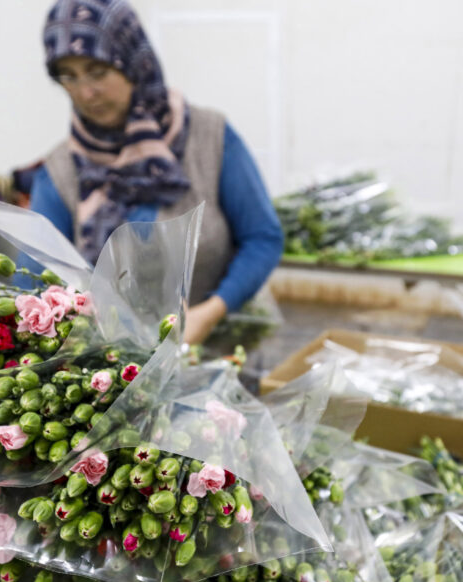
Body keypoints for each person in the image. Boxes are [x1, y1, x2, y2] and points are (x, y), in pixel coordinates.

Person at [32, 0, 284, 345]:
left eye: (98, 71)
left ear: (133, 61)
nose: (85, 92)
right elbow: (33, 279)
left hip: (221, 349)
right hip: (114, 373)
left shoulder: (210, 137)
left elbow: (263, 238)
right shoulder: (61, 171)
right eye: (68, 76)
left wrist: (211, 311)